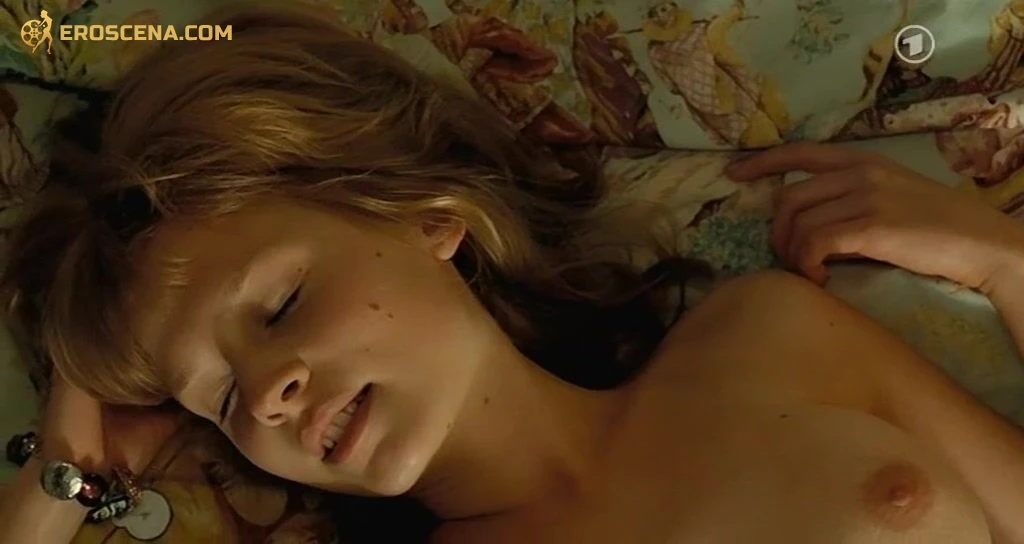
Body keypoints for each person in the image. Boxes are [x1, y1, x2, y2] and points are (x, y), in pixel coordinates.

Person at [1, 5, 1024, 543]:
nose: (269, 392)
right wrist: (63, 469)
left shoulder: (768, 337)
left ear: (430, 218)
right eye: (223, 401)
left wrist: (1004, 262)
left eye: (282, 303)